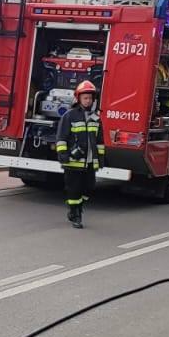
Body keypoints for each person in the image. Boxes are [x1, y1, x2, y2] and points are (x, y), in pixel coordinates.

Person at [54, 80, 104, 228]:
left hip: (89, 162)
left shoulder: (96, 118)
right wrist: (63, 155)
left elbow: (100, 141)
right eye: (85, 98)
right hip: (73, 161)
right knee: (74, 189)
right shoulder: (69, 116)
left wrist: (100, 158)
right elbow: (61, 137)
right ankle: (75, 213)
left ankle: (78, 207)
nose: (88, 101)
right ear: (78, 98)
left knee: (89, 187)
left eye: (90, 98)